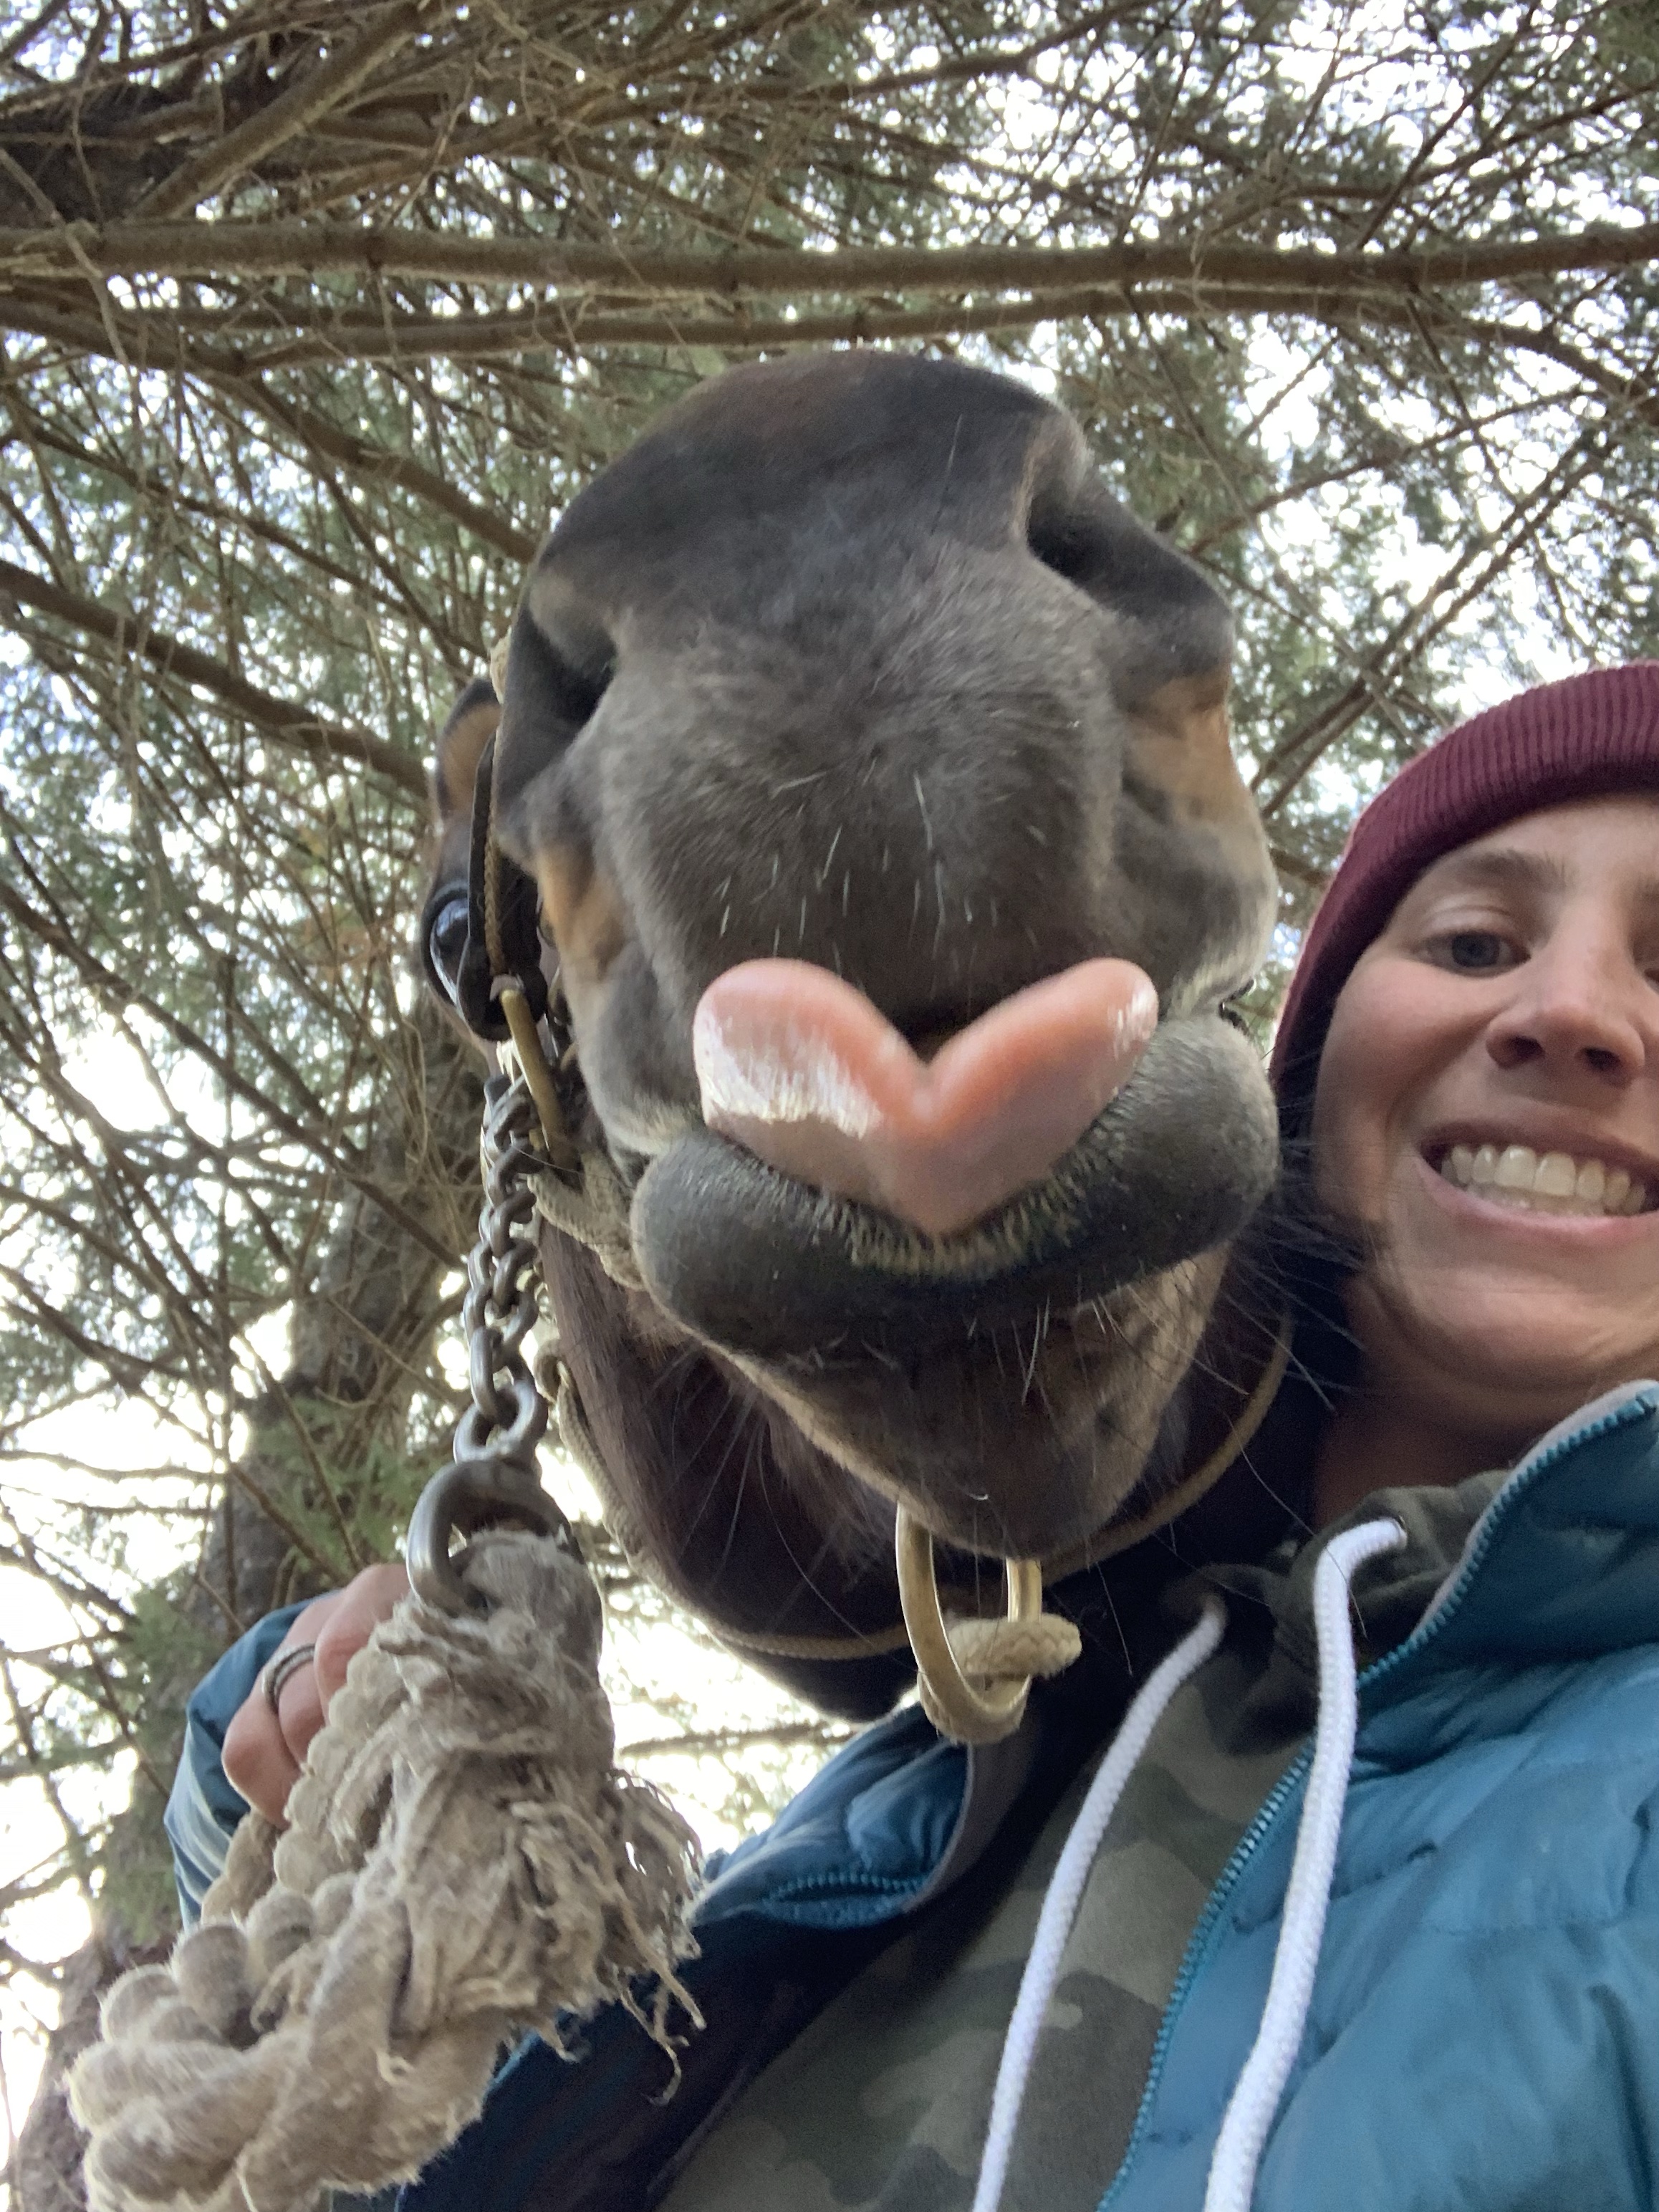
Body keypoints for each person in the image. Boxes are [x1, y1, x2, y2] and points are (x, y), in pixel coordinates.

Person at [167, 660, 1659, 2211]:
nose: (1571, 1013)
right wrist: (335, 1786)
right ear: (1309, 1067)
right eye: (1475, 942)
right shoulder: (964, 1760)